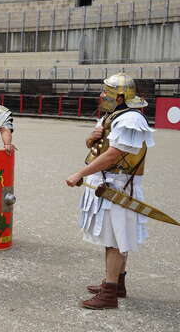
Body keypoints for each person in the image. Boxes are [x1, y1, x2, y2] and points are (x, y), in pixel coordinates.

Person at [65, 73, 154, 309]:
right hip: (109, 183)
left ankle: (109, 293)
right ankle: (116, 283)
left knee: (116, 239)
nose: (101, 95)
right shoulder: (112, 115)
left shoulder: (131, 120)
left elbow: (114, 154)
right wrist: (90, 138)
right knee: (114, 236)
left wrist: (79, 174)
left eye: (106, 91)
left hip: (119, 184)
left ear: (121, 95)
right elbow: (97, 147)